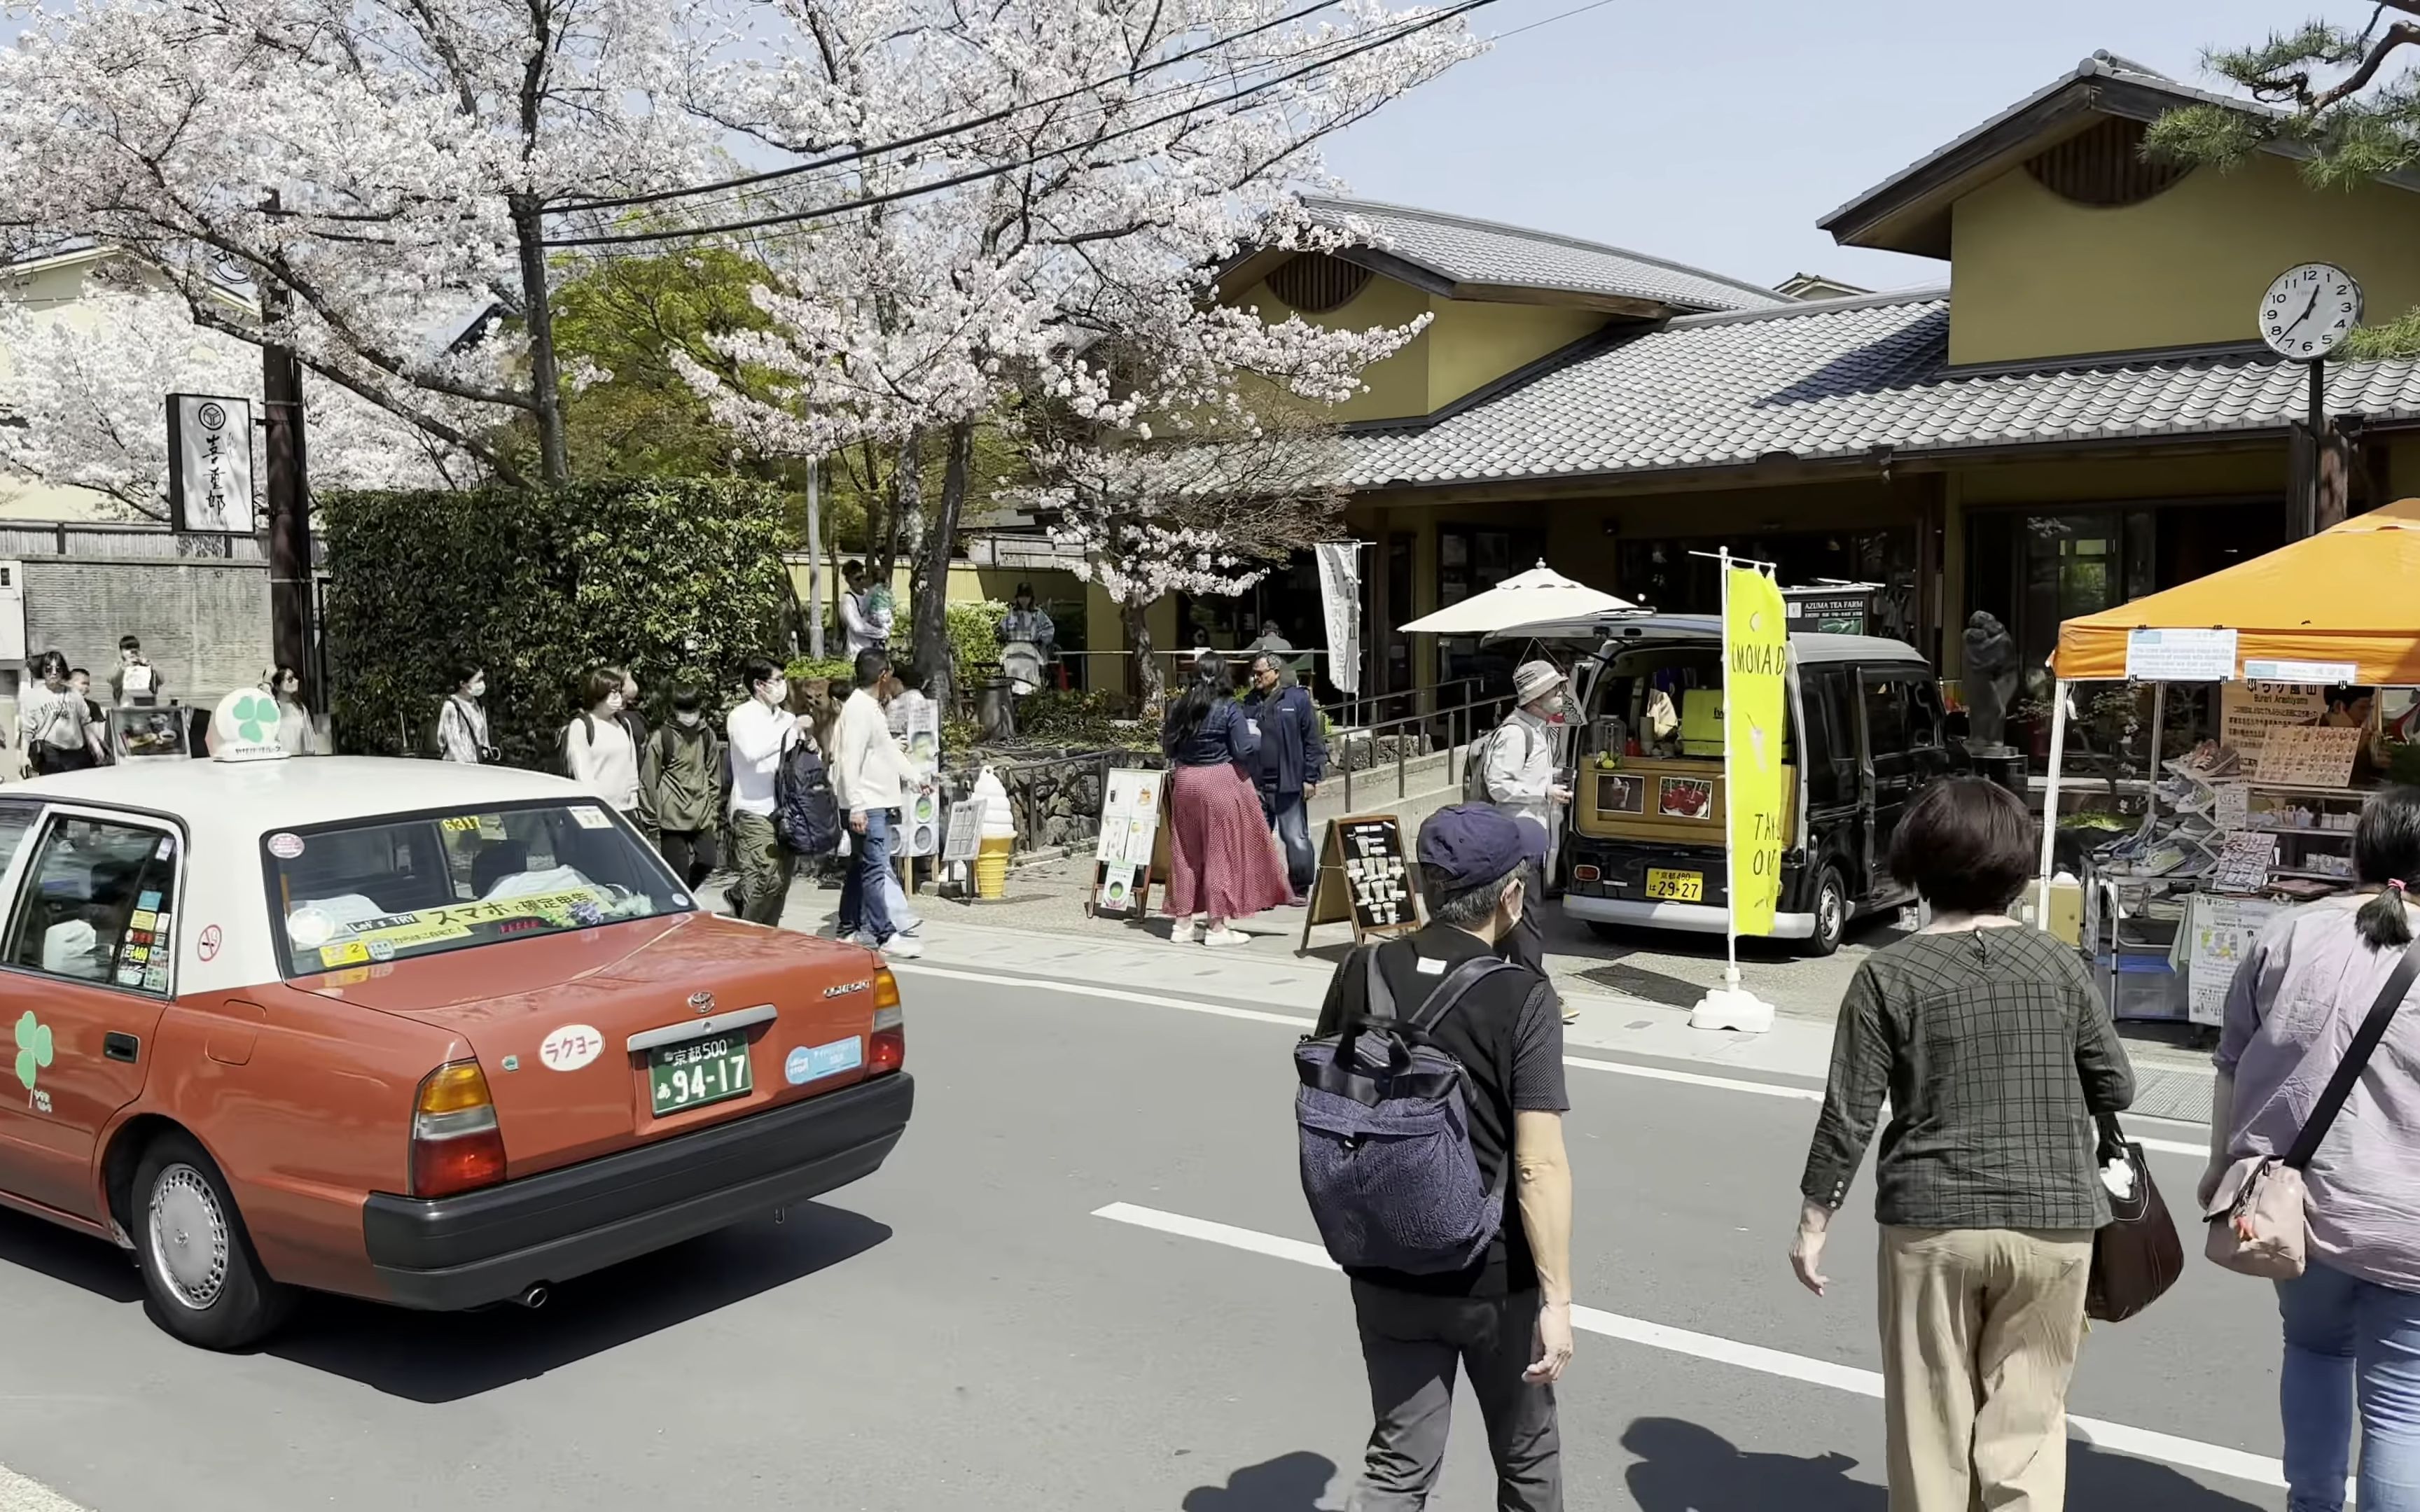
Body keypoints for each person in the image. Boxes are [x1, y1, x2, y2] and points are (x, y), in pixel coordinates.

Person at [1793, 775, 2134, 1512]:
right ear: (2015, 869)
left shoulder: (1888, 973)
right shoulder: (2059, 964)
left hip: (1933, 1223)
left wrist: (1815, 1222)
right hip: (2055, 1220)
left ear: (1920, 865)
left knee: (1931, 1427)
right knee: (2030, 1428)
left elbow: (1849, 1111)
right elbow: (2119, 1086)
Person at [1315, 804, 1573, 1511]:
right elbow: (1538, 1164)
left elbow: (1337, 1104)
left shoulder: (1362, 970)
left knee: (1400, 1460)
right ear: (1511, 896)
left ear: (1424, 887)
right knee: (1527, 1459)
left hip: (1385, 1259)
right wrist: (1557, 1300)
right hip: (1495, 1279)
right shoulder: (1524, 997)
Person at [2202, 784, 2420, 1512]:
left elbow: (2231, 1060)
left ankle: (2313, 1505)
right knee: (2401, 1405)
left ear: (2361, 850)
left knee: (2315, 1350)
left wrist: (2216, 1168)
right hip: (2411, 1225)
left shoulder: (2287, 934)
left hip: (2296, 1210)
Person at [1162, 649, 1291, 946]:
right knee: (1219, 852)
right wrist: (1257, 739)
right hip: (1219, 780)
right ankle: (1217, 927)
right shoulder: (1228, 707)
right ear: (1222, 675)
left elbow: (1169, 747)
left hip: (1185, 781)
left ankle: (1182, 924)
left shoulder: (1179, 706)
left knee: (1185, 853)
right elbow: (1243, 750)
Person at [1480, 660, 1573, 981]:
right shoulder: (1516, 733)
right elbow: (1498, 784)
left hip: (1529, 837)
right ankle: (1534, 988)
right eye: (1555, 690)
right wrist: (1543, 791)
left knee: (1513, 916)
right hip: (1516, 838)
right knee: (1527, 914)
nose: (1561, 695)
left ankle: (1484, 979)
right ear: (1536, 698)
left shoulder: (1535, 730)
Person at [830, 648, 922, 960]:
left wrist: (914, 777)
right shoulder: (859, 709)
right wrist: (856, 805)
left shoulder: (868, 707)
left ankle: (846, 929)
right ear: (884, 675)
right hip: (867, 803)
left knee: (859, 868)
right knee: (873, 868)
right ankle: (885, 934)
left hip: (870, 801)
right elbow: (849, 759)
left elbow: (886, 750)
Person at [727, 654, 817, 925]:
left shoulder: (787, 718)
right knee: (766, 876)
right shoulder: (740, 717)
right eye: (777, 680)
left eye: (783, 679)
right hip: (753, 810)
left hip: (787, 812)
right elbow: (752, 752)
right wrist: (791, 733)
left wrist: (811, 744)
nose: (783, 685)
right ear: (759, 685)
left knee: (782, 881)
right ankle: (748, 930)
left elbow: (804, 759)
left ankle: (768, 935)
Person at [1244, 652, 1325, 905]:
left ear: (1276, 673)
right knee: (1257, 838)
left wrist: (1311, 777)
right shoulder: (1249, 702)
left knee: (1295, 836)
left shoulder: (1297, 699)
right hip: (1257, 783)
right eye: (1254, 673)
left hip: (1289, 781)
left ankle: (1299, 887)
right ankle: (1263, 891)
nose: (1256, 677)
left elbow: (1312, 740)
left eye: (1261, 673)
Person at [651, 684, 725, 890]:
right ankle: (680, 904)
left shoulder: (707, 735)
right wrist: (651, 819)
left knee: (708, 861)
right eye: (684, 711)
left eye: (693, 710)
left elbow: (713, 775)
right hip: (671, 817)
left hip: (701, 813)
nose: (689, 716)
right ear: (675, 710)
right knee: (677, 873)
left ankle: (685, 896)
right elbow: (648, 780)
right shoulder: (662, 737)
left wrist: (713, 811)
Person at [563, 666, 643, 826]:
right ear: (598, 695)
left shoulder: (624, 724)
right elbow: (583, 776)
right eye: (611, 693)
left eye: (619, 692)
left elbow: (632, 768)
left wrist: (634, 806)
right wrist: (597, 809)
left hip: (627, 811)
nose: (617, 697)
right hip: (597, 812)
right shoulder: (582, 726)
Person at [20, 652, 96, 775]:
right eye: (49, 669)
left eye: (58, 669)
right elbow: (27, 731)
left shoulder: (74, 694)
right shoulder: (32, 697)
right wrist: (24, 757)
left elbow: (86, 722)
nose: (54, 673)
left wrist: (95, 746)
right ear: (42, 670)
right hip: (50, 754)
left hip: (76, 754)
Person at [438, 664, 494, 764]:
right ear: (463, 684)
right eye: (478, 681)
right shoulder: (451, 707)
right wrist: (467, 765)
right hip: (457, 768)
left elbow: (484, 740)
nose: (481, 684)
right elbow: (454, 744)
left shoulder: (479, 705)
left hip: (477, 767)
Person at [840, 560, 892, 658]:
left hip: (876, 650)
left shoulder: (870, 594)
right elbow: (857, 627)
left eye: (863, 577)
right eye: (857, 579)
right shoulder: (848, 599)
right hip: (859, 653)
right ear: (848, 580)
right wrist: (881, 633)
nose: (861, 582)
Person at [267, 665, 316, 755]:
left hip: (298, 763)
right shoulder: (271, 709)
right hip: (277, 762)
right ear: (277, 686)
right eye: (290, 679)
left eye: (296, 678)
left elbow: (309, 742)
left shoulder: (300, 708)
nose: (296, 681)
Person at [109, 635, 165, 708]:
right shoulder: (119, 667)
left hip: (148, 709)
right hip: (125, 709)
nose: (132, 652)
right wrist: (125, 666)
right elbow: (112, 680)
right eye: (128, 649)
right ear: (121, 652)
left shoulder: (148, 665)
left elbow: (161, 681)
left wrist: (151, 665)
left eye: (135, 648)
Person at [67, 668, 109, 763]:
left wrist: (100, 750)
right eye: (83, 683)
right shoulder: (57, 706)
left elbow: (99, 732)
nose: (86, 687)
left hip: (87, 754)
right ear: (69, 683)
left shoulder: (92, 706)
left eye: (88, 684)